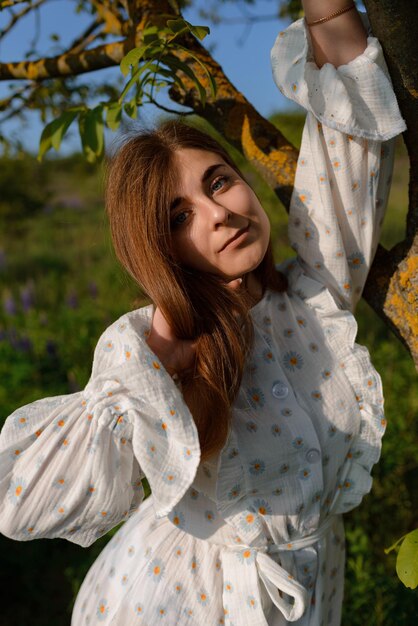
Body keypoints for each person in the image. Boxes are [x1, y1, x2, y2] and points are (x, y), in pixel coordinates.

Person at [0, 1, 407, 624]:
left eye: (217, 181)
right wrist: (147, 377)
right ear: (156, 247)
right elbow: (22, 503)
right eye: (178, 217)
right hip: (179, 599)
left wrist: (329, 11)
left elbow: (346, 135)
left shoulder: (314, 296)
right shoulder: (146, 343)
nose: (217, 213)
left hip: (310, 581)